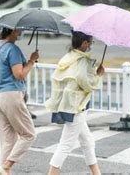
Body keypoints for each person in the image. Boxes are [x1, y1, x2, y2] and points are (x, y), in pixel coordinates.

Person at [45, 31, 105, 175]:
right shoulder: (82, 60)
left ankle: (96, 173)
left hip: (67, 104)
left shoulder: (68, 57)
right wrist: (98, 75)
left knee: (88, 141)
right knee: (66, 144)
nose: (91, 45)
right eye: (91, 42)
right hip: (76, 106)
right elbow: (85, 82)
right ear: (84, 43)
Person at [0, 28, 39, 175]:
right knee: (29, 134)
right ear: (12, 30)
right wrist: (32, 61)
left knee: (7, 140)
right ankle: (6, 166)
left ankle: (4, 171)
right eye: (19, 29)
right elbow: (19, 75)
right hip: (12, 95)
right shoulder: (12, 49)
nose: (22, 31)